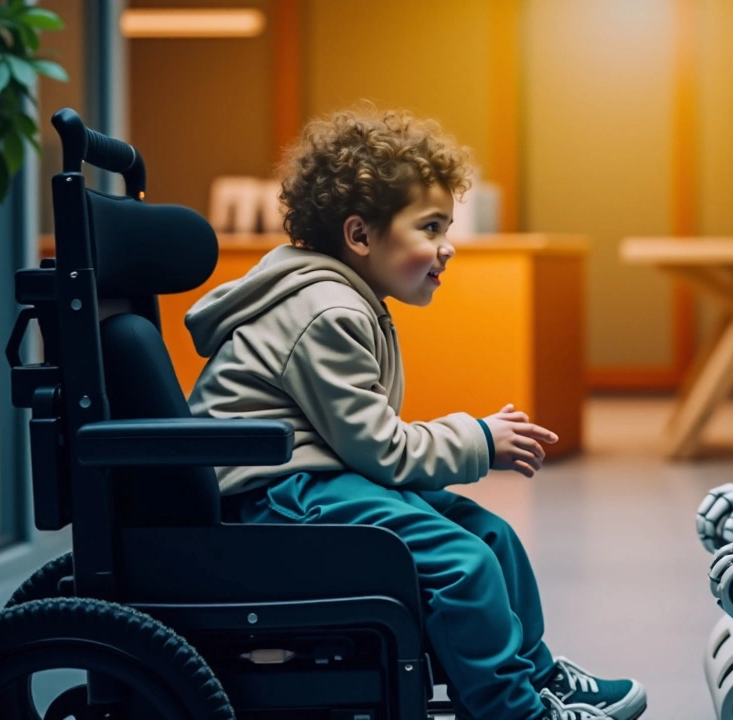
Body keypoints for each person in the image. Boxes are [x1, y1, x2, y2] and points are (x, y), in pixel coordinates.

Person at [184, 105, 647, 720]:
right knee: (462, 564)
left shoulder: (340, 297)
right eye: (430, 227)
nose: (447, 246)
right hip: (274, 493)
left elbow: (365, 445)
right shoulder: (328, 313)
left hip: (310, 477)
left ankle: (535, 677)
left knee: (492, 536)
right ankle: (513, 710)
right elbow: (381, 452)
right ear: (360, 235)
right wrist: (479, 438)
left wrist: (470, 438)